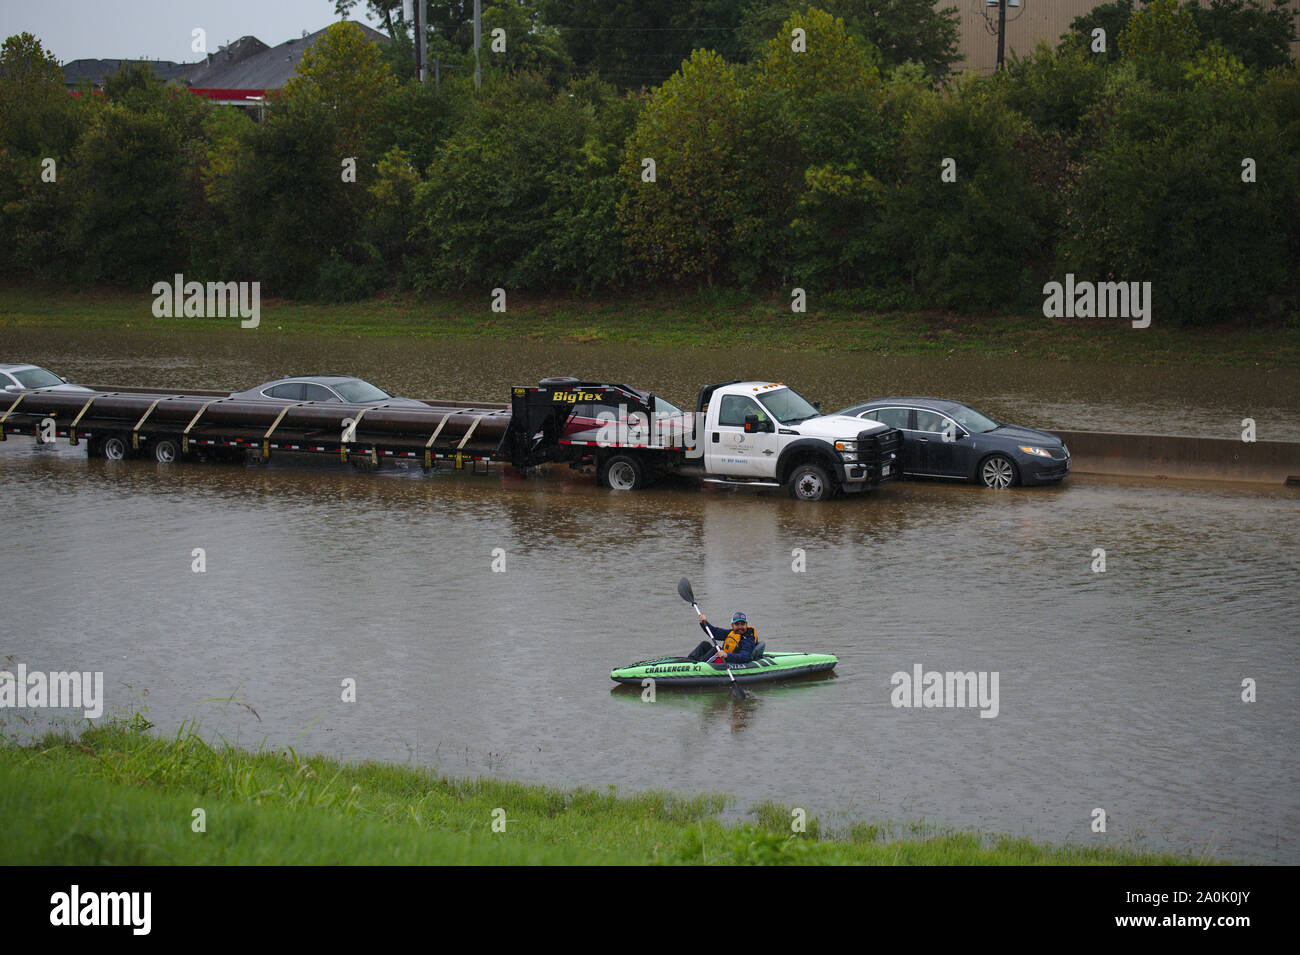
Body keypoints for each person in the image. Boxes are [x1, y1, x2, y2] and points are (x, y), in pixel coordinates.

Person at [687, 611, 758, 666]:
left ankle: (697, 666)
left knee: (716, 649)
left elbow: (745, 657)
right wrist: (704, 622)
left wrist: (727, 655)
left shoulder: (748, 639)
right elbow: (715, 632)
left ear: (746, 625)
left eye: (742, 624)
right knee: (705, 644)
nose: (740, 627)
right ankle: (688, 660)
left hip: (733, 662)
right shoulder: (732, 633)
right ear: (732, 625)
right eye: (737, 624)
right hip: (726, 657)